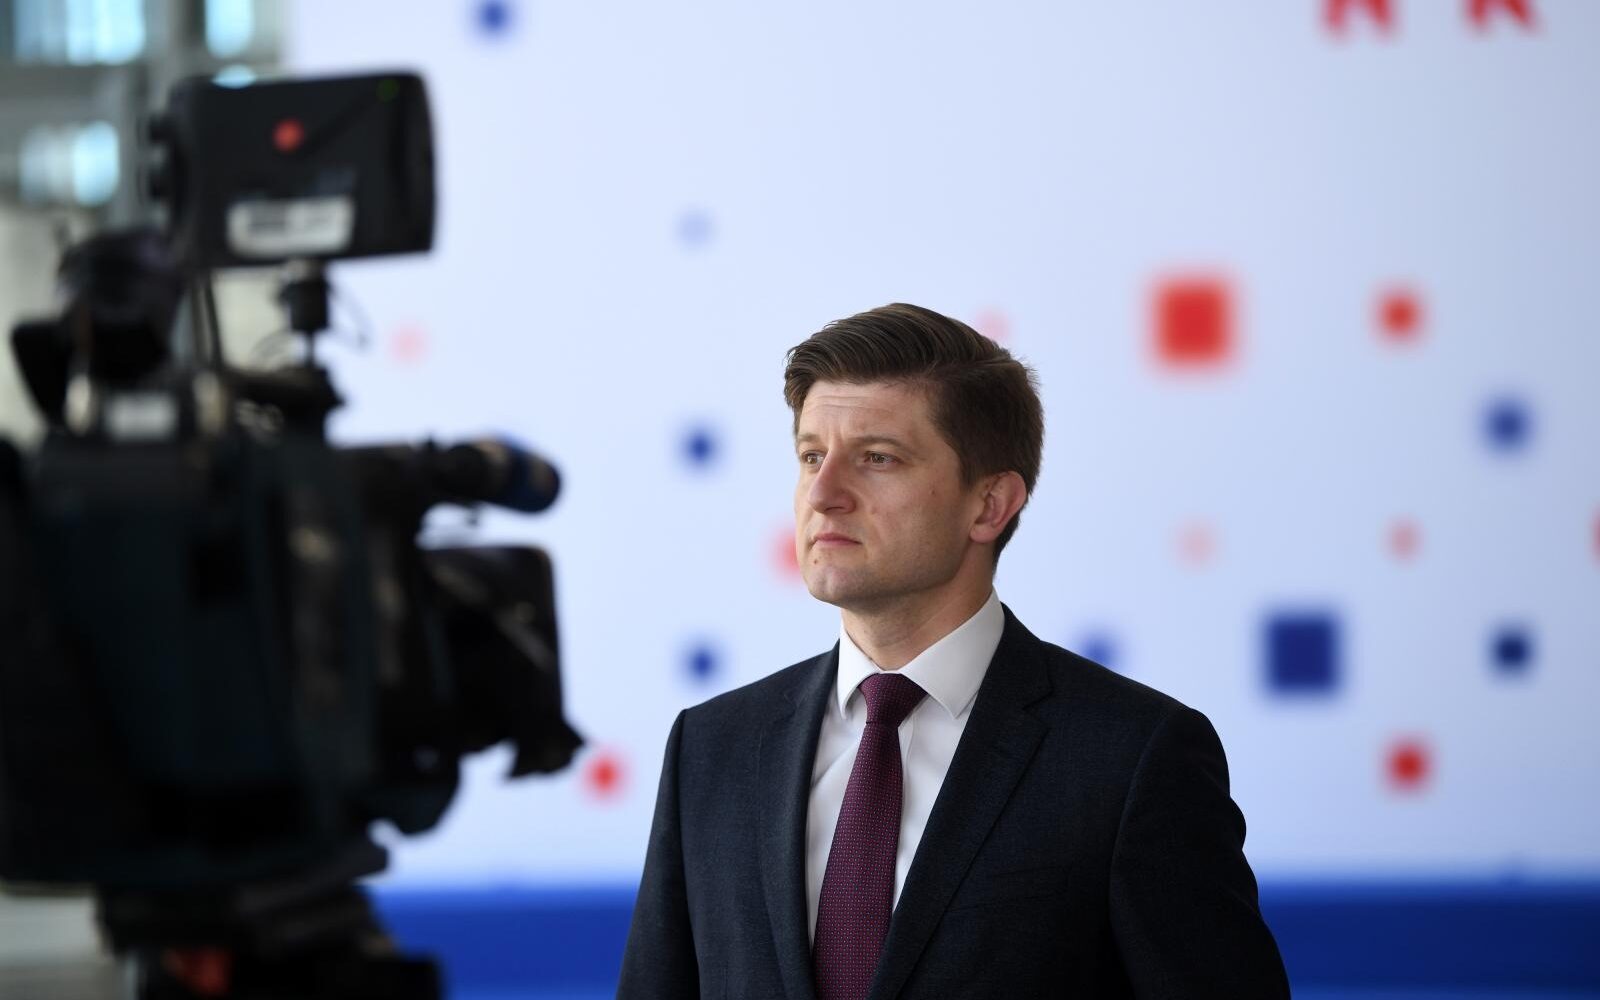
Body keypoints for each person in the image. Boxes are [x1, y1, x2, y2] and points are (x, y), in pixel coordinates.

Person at [618, 303, 1290, 999]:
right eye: (812, 456)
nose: (823, 494)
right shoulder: (712, 748)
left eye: (877, 458)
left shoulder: (1133, 758)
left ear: (990, 505)